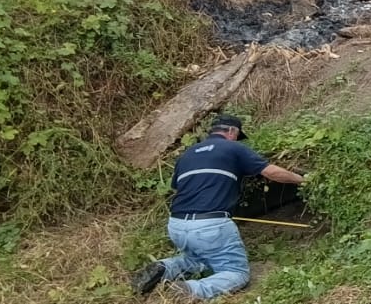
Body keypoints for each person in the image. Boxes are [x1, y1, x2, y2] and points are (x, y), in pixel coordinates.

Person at [130, 114, 305, 300]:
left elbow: (178, 188)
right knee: (237, 272)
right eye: (237, 135)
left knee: (200, 259)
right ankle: (188, 290)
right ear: (231, 131)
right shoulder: (233, 148)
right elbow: (272, 172)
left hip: (177, 225)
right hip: (210, 226)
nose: (237, 139)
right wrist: (302, 180)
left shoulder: (187, 155)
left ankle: (165, 268)